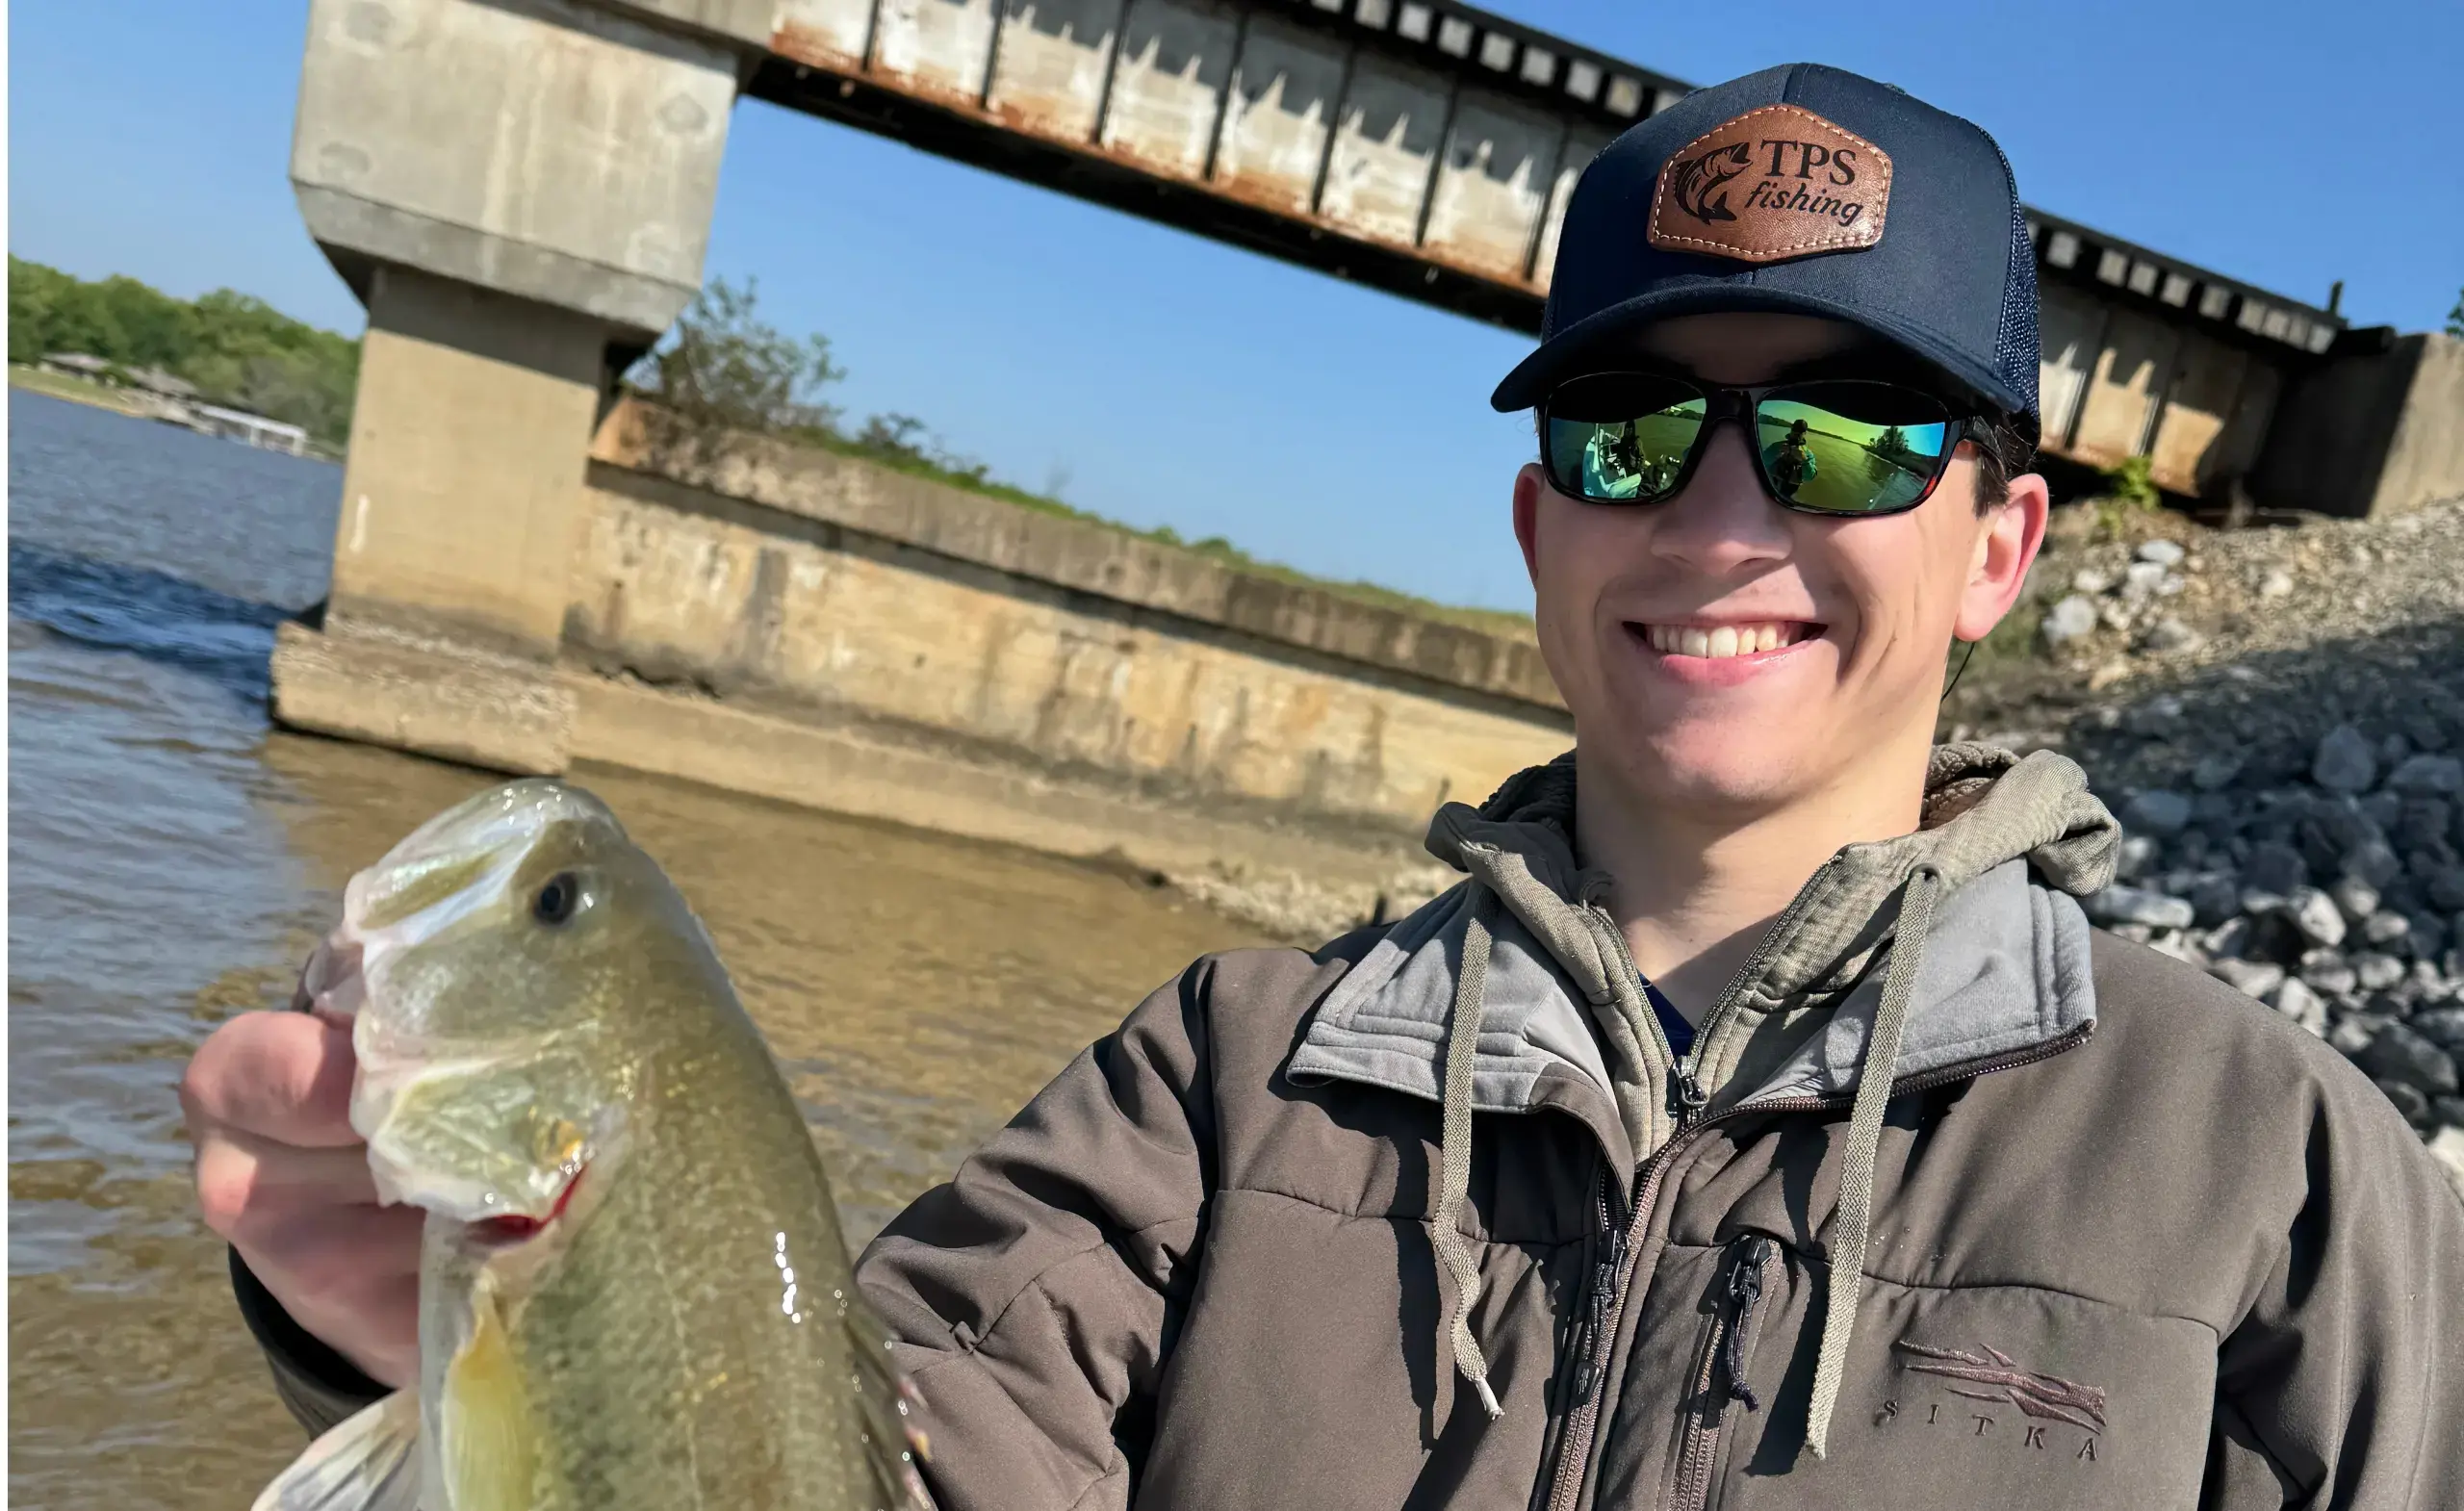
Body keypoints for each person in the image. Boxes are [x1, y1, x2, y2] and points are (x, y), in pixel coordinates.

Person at [184, 62, 2464, 1508]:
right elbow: (859, 1464)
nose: (1724, 511)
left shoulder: (2271, 1175)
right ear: (1538, 526)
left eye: (1850, 432)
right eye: (1625, 429)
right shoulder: (1210, 1084)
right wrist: (484, 1349)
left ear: (1997, 540)